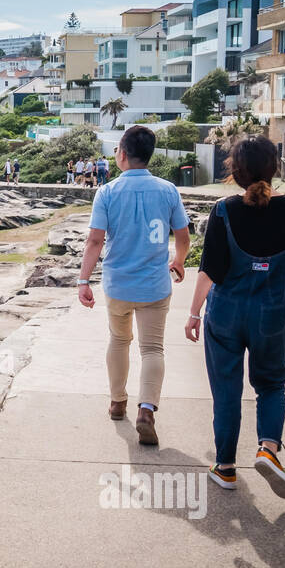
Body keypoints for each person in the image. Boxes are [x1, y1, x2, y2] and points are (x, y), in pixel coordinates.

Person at [184, 135, 285, 498]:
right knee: (271, 384)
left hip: (226, 311)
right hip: (271, 311)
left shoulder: (225, 209)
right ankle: (267, 449)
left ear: (235, 172)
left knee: (226, 389)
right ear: (274, 167)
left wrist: (193, 313)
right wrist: (276, 307)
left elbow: (209, 270)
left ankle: (225, 468)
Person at [77, 125, 189, 445]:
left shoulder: (108, 192)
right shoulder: (168, 190)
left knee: (119, 340)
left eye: (116, 150)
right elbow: (182, 237)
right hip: (154, 285)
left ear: (123, 154)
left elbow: (95, 240)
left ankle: (117, 402)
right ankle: (147, 410)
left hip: (118, 285)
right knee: (153, 348)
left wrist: (84, 280)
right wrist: (178, 261)